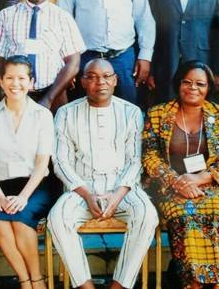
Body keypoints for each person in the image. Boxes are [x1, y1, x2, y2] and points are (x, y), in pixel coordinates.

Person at [47, 58, 159, 289]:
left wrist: (117, 195)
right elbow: (60, 161)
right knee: (57, 218)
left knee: (147, 215)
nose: (101, 82)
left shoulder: (131, 112)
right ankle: (85, 286)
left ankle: (119, 285)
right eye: (93, 77)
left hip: (123, 187)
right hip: (81, 188)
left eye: (107, 76)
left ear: (115, 80)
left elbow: (136, 160)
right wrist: (87, 195)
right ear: (82, 81)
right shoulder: (66, 113)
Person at [141, 61, 219, 289]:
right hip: (170, 186)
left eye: (200, 84)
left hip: (212, 184)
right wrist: (177, 181)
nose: (192, 88)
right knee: (184, 216)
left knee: (217, 210)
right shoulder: (158, 114)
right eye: (187, 82)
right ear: (178, 83)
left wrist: (201, 178)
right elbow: (149, 157)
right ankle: (193, 282)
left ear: (208, 88)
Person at [0, 56, 56, 289]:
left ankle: (37, 280)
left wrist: (23, 197)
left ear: (31, 82)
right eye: (9, 77)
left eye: (22, 78)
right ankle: (25, 281)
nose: (15, 84)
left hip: (35, 186)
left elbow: (42, 166)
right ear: (1, 81)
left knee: (20, 222)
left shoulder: (43, 116)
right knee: (1, 224)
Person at [0, 0, 85, 111]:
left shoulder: (62, 18)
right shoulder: (6, 16)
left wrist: (49, 98)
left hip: (53, 95)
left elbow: (73, 63)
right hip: (14, 95)